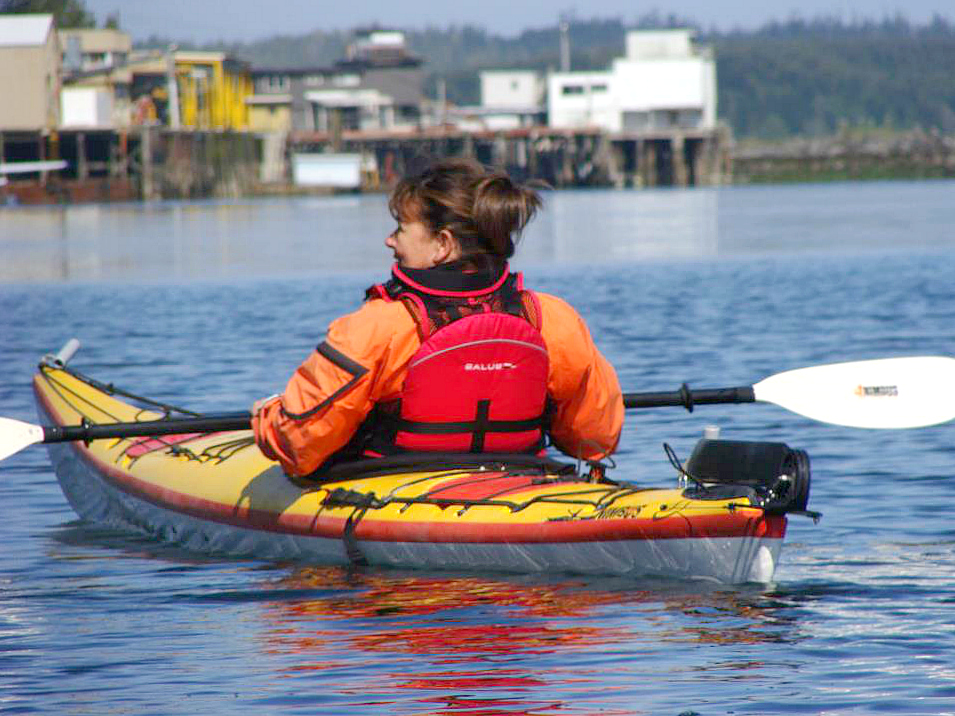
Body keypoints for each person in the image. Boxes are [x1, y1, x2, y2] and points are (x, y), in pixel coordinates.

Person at [252, 158, 623, 478]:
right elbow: (597, 437)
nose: (389, 241)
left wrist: (268, 417)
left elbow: (300, 444)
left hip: (398, 489)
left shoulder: (379, 326)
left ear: (443, 245)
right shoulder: (551, 319)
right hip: (516, 478)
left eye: (400, 228)